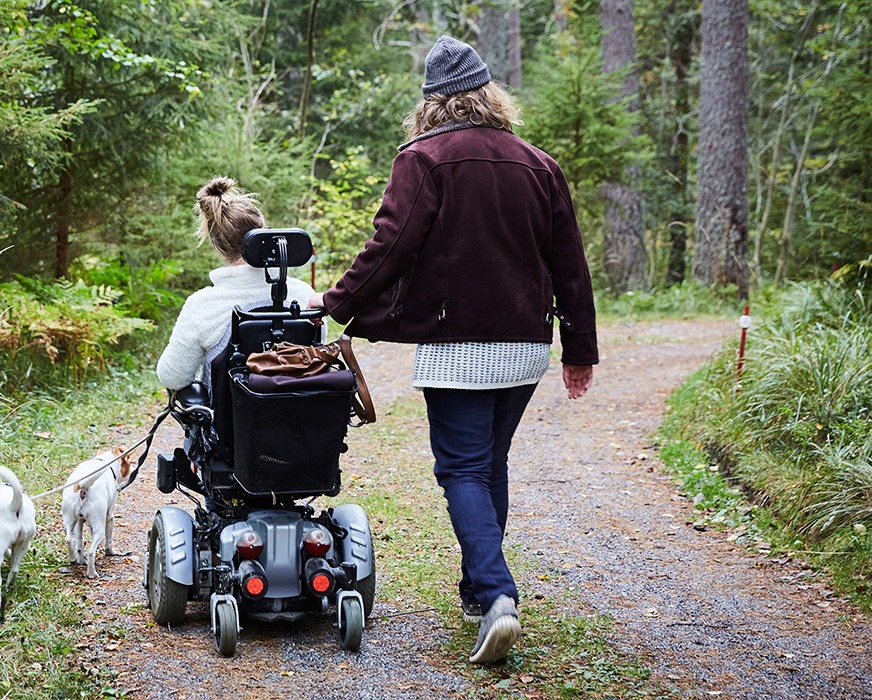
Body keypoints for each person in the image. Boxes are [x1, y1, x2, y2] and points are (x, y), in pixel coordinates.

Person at [308, 36, 598, 665]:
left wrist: (331, 304)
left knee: (462, 468)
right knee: (488, 465)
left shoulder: (425, 158)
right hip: (525, 344)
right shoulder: (539, 164)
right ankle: (476, 588)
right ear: (491, 95)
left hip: (457, 344)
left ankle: (498, 598)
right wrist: (579, 348)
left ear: (433, 103)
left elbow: (392, 244)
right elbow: (570, 265)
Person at [157, 177, 317, 391]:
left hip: (230, 423)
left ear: (217, 246)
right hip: (301, 420)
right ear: (264, 233)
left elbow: (172, 378)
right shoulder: (303, 293)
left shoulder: (203, 305)